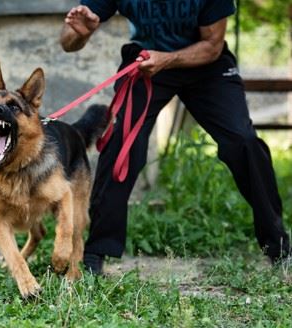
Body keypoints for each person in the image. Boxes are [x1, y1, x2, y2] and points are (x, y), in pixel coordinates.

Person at [60, 0, 291, 274]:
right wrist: (79, 33)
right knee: (122, 142)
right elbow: (68, 41)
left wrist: (168, 59)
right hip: (145, 61)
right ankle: (96, 252)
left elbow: (212, 45)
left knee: (244, 143)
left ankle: (278, 247)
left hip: (206, 66)